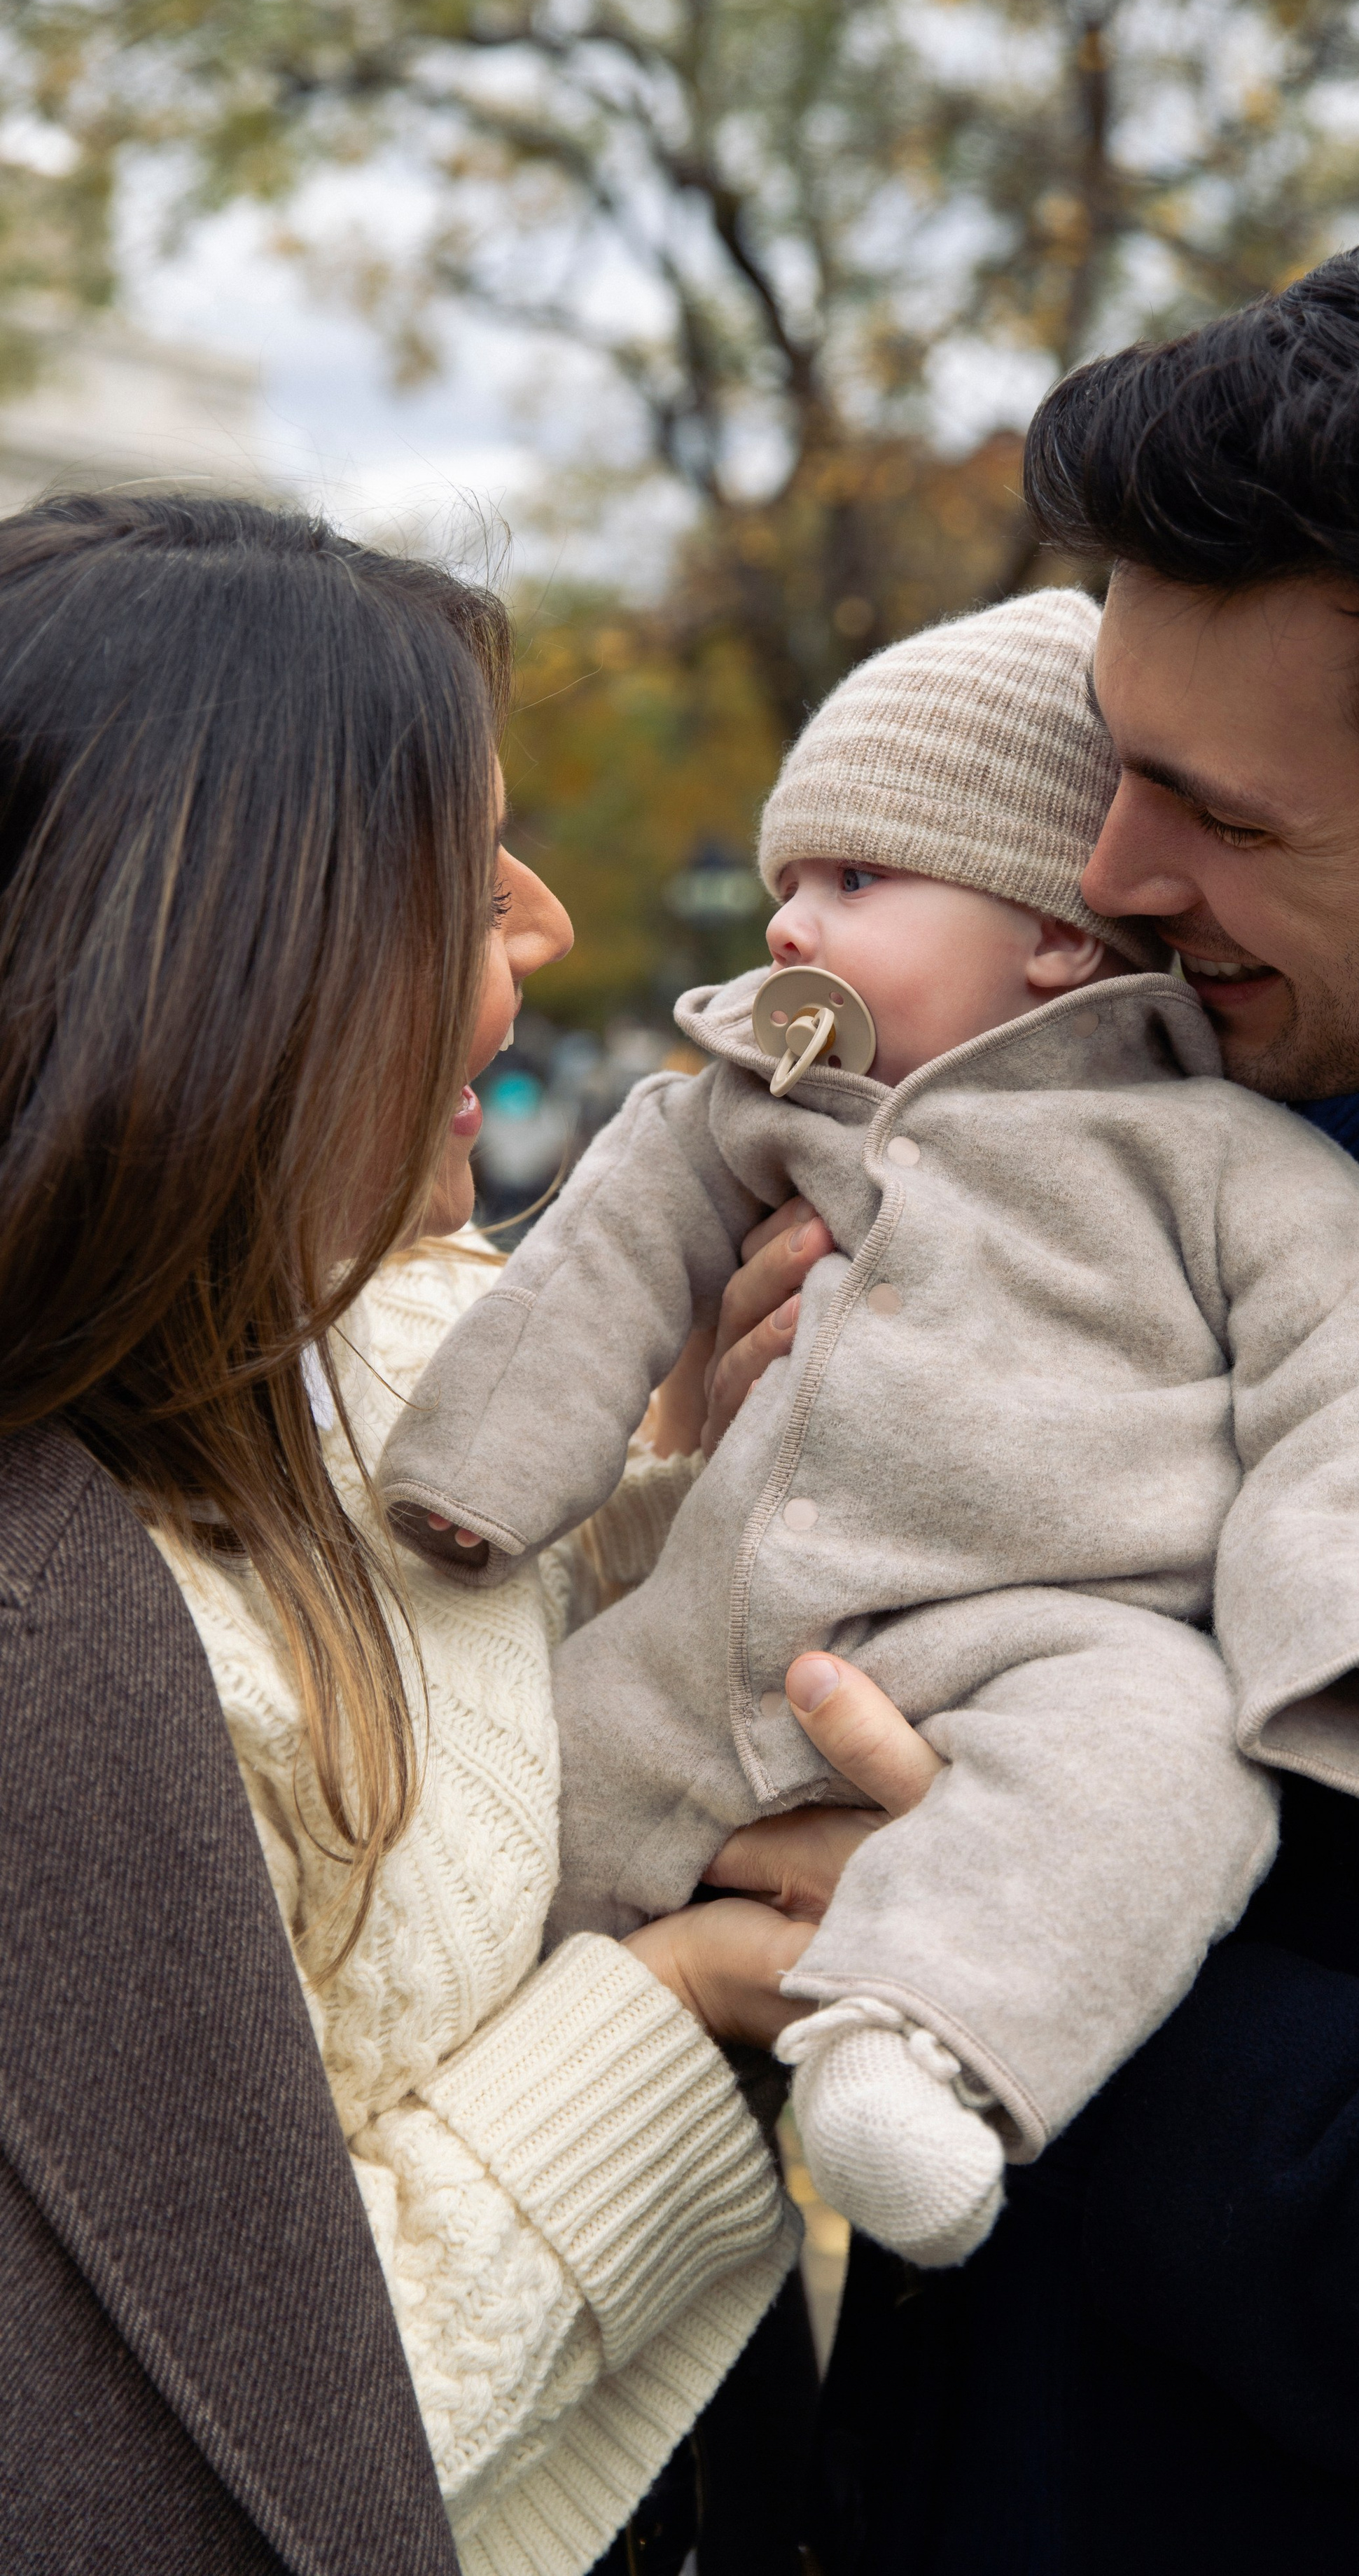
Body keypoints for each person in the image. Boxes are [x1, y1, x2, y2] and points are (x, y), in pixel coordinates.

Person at [673, 197, 1359, 2570]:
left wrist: (996, 1952)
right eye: (1119, 754)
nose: (1106, 868)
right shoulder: (1178, 1123)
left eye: (1230, 818)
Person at [375, 587, 1359, 2273]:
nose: (786, 928)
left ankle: (919, 2049)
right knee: (525, 1791)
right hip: (723, 1616)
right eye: (783, 886)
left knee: (1157, 1770)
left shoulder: (1220, 1163)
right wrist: (486, 1477)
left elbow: (1351, 1400)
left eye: (854, 881)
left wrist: (1351, 1641)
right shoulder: (745, 1116)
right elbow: (601, 1267)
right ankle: (414, 2077)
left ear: (1055, 934)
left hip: (1044, 1632)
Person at [0, 490, 861, 2576]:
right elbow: (193, 2424)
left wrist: (705, 1463)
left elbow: (499, 1685)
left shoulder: (406, 1350)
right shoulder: (62, 1650)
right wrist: (690, 2001)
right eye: (462, 881)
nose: (548, 922)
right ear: (241, 967)